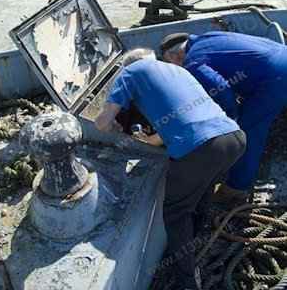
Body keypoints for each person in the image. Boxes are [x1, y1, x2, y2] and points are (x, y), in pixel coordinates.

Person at [95, 48, 246, 290]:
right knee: (202, 192)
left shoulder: (130, 71)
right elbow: (173, 124)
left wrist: (111, 126)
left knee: (176, 213)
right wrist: (146, 141)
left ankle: (187, 281)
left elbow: (102, 123)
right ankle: (195, 243)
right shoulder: (178, 71)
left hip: (201, 148)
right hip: (233, 138)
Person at [160, 31, 287, 202]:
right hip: (281, 56)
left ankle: (236, 188)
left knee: (247, 131)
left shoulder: (193, 61)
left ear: (174, 56)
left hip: (275, 79)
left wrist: (231, 118)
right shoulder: (208, 37)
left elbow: (222, 90)